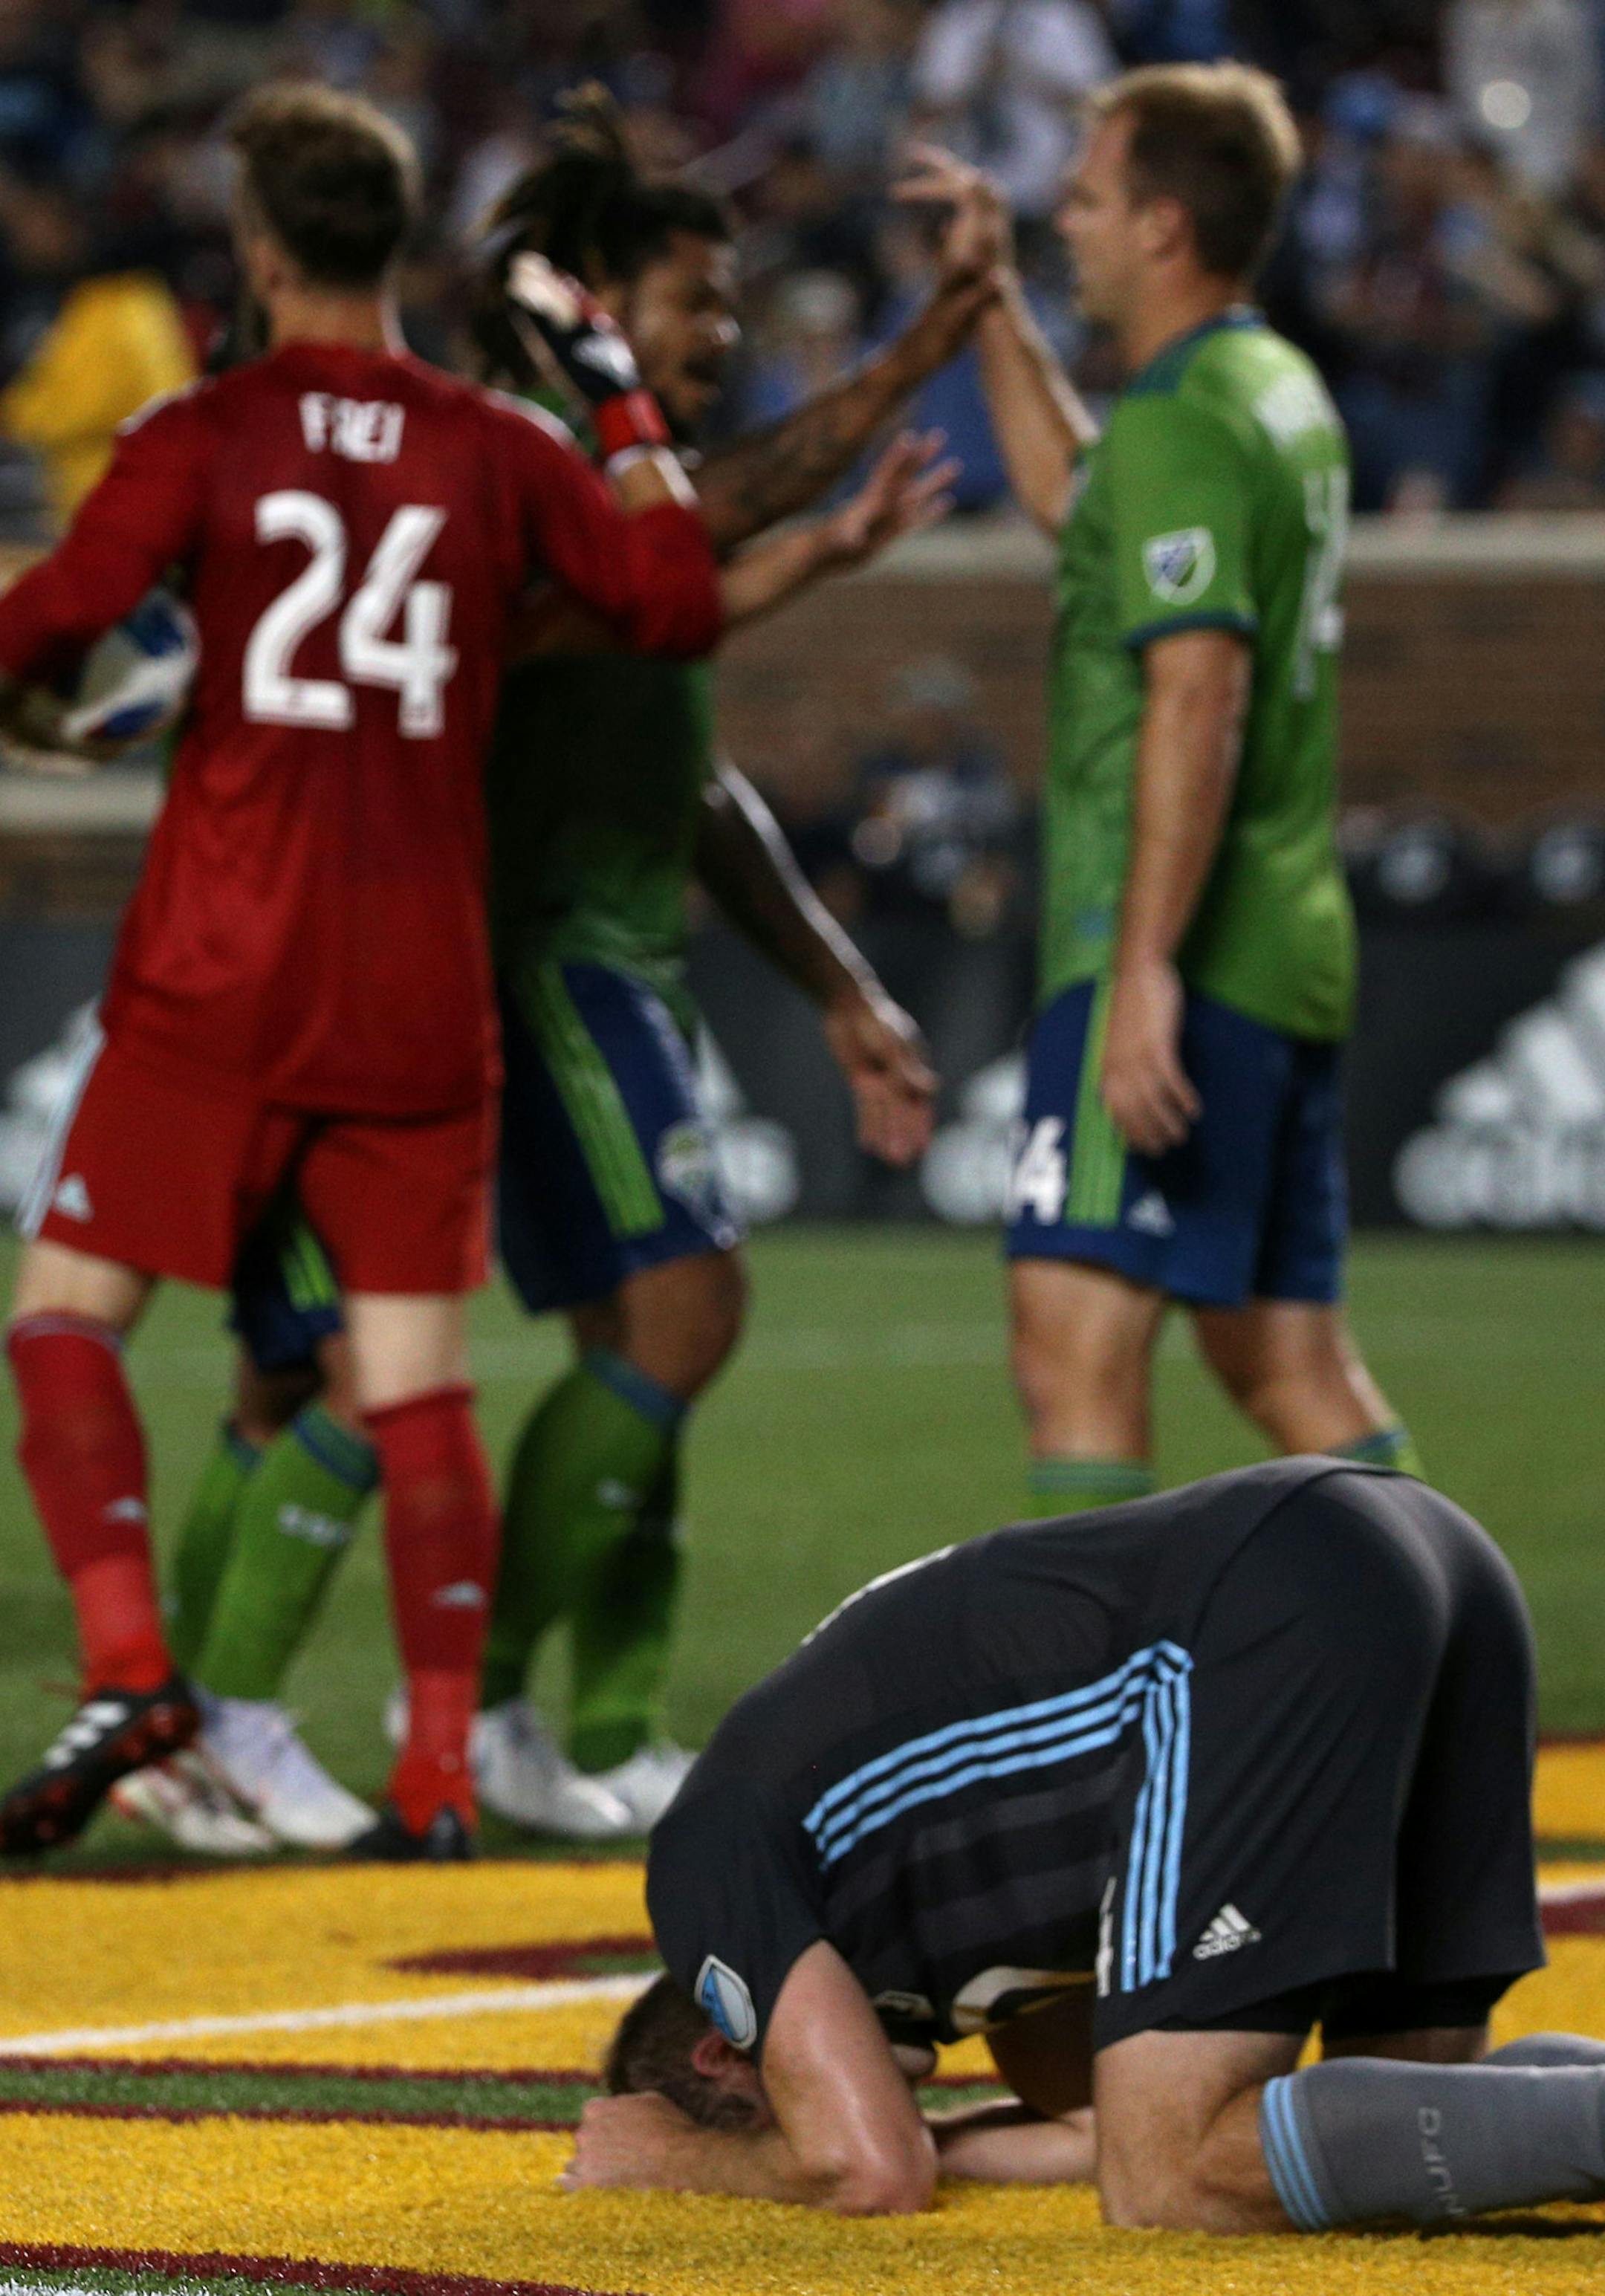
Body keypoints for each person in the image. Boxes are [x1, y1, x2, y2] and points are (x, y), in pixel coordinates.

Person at [120, 86, 993, 1851]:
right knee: (395, 1357)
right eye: (694, 295)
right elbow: (685, 555)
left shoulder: (599, 475)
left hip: (536, 953)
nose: (723, 331)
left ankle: (523, 1715)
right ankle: (263, 1720)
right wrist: (919, 356)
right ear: (587, 295)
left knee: (472, 1347)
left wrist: (831, 980)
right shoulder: (505, 455)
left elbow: (682, 760)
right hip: (464, 958)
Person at [0, 82, 726, 1861]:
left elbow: (56, 621)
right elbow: (671, 597)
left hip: (223, 958)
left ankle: (132, 1674)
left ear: (256, 247)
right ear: (394, 242)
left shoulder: (208, 431)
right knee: (414, 1384)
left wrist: (47, 704)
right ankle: (429, 1777)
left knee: (62, 1317)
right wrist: (620, 389)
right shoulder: (495, 444)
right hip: (418, 979)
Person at [573, 1459, 1605, 2235]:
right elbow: (1086, 2127)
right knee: (1392, 2144)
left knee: (1175, 2180)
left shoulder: (709, 1862)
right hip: (1409, 1551)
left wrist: (683, 2159)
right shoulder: (951, 1916)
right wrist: (923, 2139)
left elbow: (870, 2172)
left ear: (721, 2046)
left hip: (1258, 1606)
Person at [899, 66, 1426, 1517]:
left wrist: (1139, 973)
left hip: (1175, 950)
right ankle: (1452, 1708)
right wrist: (993, 297)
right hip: (1286, 940)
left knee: (1071, 1350)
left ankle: (1111, 1748)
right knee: (1286, 1364)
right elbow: (1083, 500)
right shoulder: (1271, 389)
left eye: (1088, 196)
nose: (1066, 220)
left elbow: (1199, 692)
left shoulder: (1183, 418)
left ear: (1166, 225)